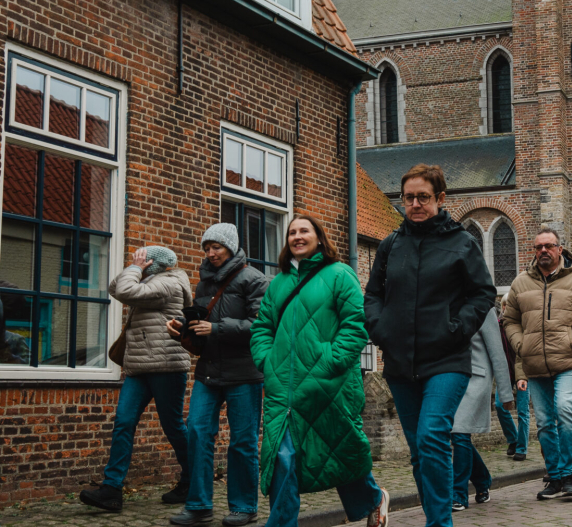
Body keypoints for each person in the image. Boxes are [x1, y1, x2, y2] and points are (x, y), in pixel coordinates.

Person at [364, 164, 495, 527]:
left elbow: (483, 293)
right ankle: (435, 516)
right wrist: (380, 328)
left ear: (440, 198)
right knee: (419, 451)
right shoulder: (391, 244)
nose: (415, 204)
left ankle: (439, 523)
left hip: (447, 359)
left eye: (423, 197)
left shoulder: (462, 243)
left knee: (432, 435)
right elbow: (373, 294)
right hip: (400, 363)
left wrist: (457, 327)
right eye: (409, 198)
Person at [250, 215, 389, 527]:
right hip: (284, 389)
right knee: (282, 457)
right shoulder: (278, 283)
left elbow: (355, 324)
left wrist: (330, 361)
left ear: (319, 237)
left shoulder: (340, 274)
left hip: (330, 384)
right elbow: (262, 328)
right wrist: (267, 362)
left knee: (338, 450)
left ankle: (373, 498)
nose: (297, 236)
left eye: (304, 231)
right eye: (292, 232)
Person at [167, 224, 269, 527]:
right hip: (208, 372)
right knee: (197, 433)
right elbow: (201, 329)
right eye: (207, 248)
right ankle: (199, 506)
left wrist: (216, 328)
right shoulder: (203, 284)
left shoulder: (254, 279)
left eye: (217, 247)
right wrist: (182, 331)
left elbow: (261, 325)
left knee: (242, 442)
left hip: (245, 373)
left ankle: (244, 507)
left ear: (231, 247)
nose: (211, 253)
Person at [80, 247, 193, 511]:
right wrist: (136, 269)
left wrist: (136, 270)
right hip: (139, 366)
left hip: (166, 366)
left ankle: (193, 480)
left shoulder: (169, 284)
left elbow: (125, 291)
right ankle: (111, 490)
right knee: (124, 422)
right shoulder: (149, 279)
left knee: (173, 427)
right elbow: (114, 287)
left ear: (155, 264)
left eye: (143, 259)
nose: (138, 262)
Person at [504, 228, 572, 501]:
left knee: (565, 410)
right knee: (545, 423)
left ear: (560, 249)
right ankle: (555, 476)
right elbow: (510, 320)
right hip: (535, 365)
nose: (543, 251)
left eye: (549, 246)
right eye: (539, 247)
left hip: (568, 361)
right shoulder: (521, 283)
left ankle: (569, 474)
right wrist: (521, 345)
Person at [451, 308, 514, 511]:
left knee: (460, 433)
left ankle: (458, 494)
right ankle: (483, 479)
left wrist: (505, 393)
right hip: (449, 378)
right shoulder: (442, 303)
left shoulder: (483, 308)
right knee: (456, 434)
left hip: (475, 378)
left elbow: (497, 352)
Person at [495, 294, 531, 462]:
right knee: (499, 405)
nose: (506, 308)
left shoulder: (524, 326)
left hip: (523, 372)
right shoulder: (497, 326)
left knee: (523, 411)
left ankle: (522, 448)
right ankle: (513, 439)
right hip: (505, 373)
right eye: (504, 305)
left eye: (510, 305)